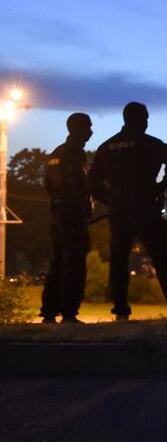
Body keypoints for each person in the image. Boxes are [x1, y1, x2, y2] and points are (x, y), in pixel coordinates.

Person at [88, 102, 167, 320]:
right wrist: (162, 185)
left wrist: (110, 199)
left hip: (119, 209)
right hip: (146, 206)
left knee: (119, 260)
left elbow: (92, 181)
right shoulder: (150, 143)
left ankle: (120, 309)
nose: (147, 122)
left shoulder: (107, 147)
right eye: (146, 118)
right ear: (141, 119)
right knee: (162, 256)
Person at [41, 113, 93, 324]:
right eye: (88, 127)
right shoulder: (75, 153)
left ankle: (49, 311)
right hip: (72, 215)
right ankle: (69, 312)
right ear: (78, 129)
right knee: (75, 263)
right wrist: (82, 207)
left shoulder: (57, 152)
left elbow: (48, 183)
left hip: (57, 214)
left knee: (57, 262)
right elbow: (77, 183)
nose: (91, 132)